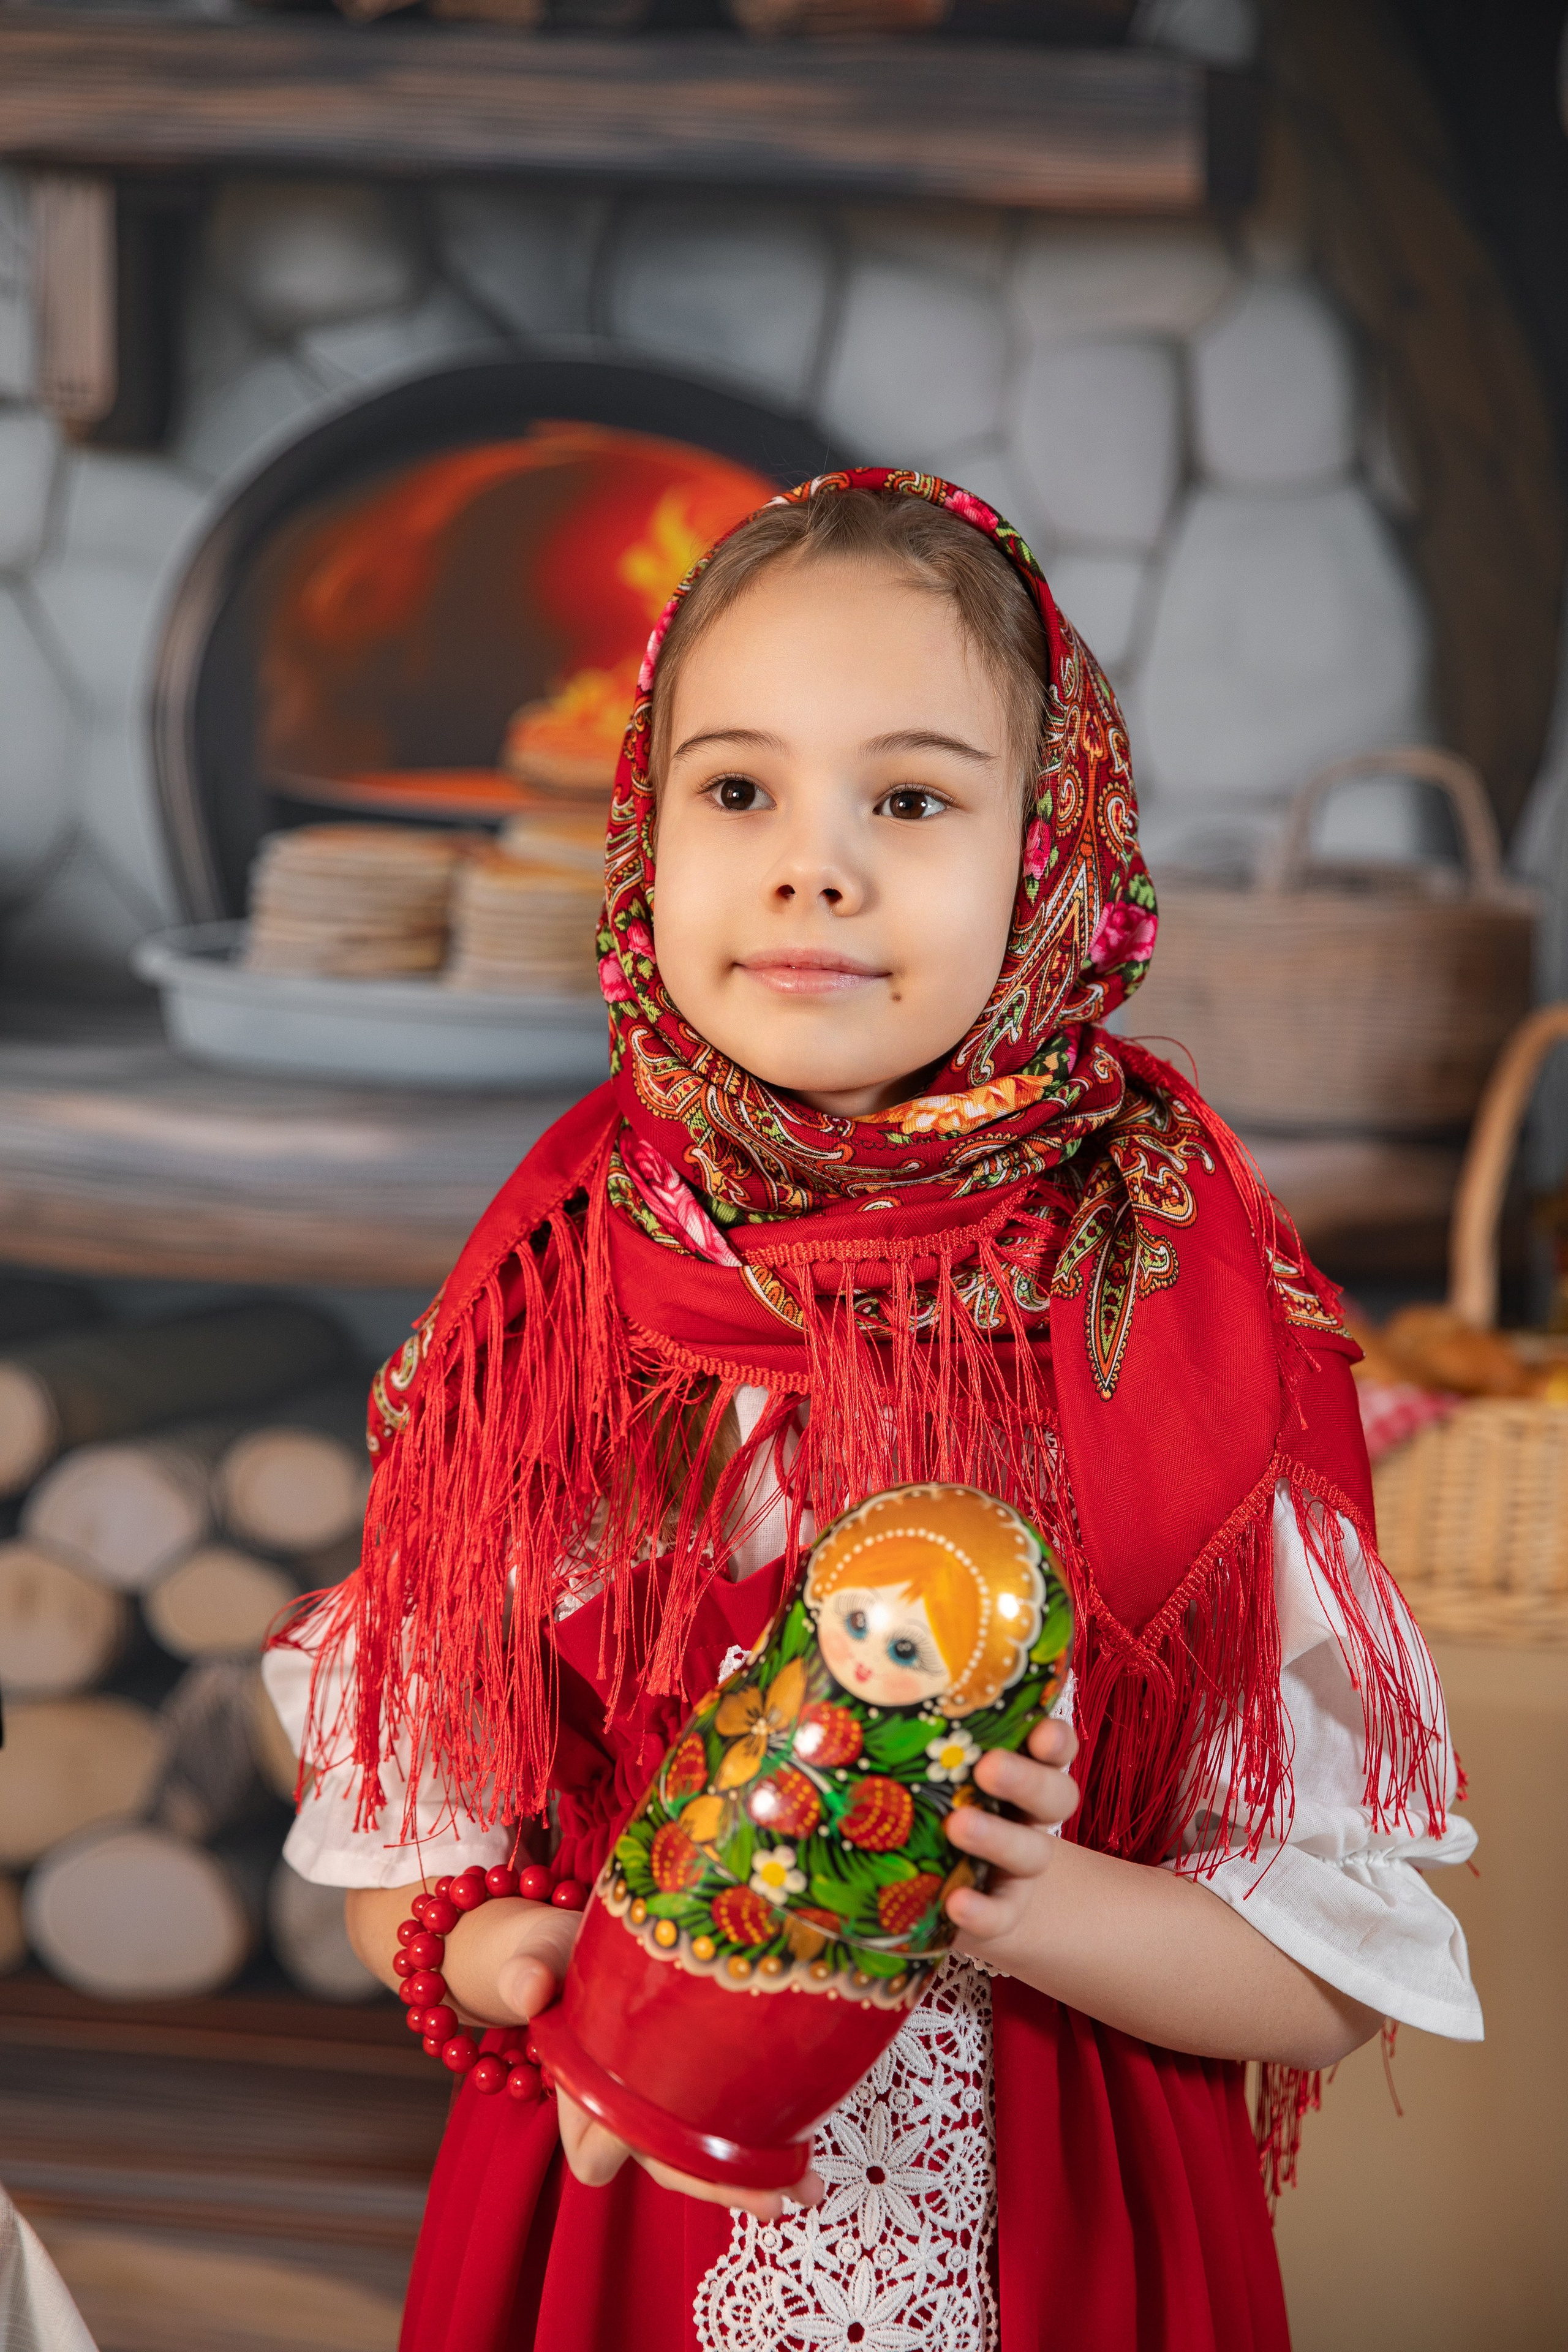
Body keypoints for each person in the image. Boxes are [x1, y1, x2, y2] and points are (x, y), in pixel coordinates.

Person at [263, 471, 1481, 2352]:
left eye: (908, 801)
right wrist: (499, 1953)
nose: (811, 867)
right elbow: (408, 1823)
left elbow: (1327, 1977)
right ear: (642, 833)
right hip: (626, 2222)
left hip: (1050, 2222)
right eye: (736, 790)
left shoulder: (1168, 1302)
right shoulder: (562, 1295)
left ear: (1050, 853)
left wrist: (1029, 1899)